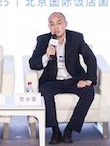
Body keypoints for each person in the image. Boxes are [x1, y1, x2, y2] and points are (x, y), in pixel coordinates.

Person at [29, 12, 97, 144]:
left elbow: (90, 58)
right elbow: (33, 63)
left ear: (66, 24)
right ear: (49, 27)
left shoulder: (76, 38)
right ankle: (55, 131)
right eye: (52, 24)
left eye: (59, 23)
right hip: (52, 81)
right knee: (44, 91)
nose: (56, 27)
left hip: (73, 79)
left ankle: (70, 130)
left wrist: (89, 80)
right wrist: (46, 56)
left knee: (89, 92)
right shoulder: (43, 40)